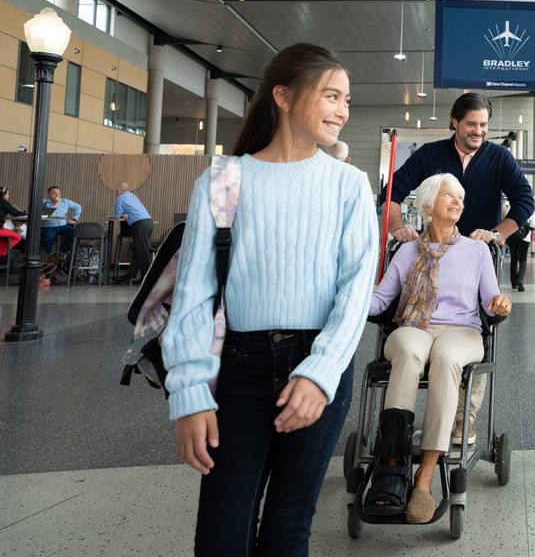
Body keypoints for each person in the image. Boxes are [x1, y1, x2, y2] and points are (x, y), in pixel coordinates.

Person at [161, 43, 378, 556]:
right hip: (239, 365)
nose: (343, 110)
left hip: (319, 363)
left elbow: (355, 292)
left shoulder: (349, 185)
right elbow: (193, 292)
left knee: (287, 526)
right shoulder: (223, 179)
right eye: (331, 95)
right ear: (282, 96)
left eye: (347, 99)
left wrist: (321, 373)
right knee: (220, 531)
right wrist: (189, 394)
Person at [379, 92, 534, 446]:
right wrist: (397, 228)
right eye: (471, 124)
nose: (478, 131)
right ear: (454, 122)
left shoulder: (499, 158)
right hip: (430, 254)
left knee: (480, 332)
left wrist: (495, 233)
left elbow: (524, 200)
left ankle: (466, 419)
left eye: (484, 125)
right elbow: (392, 192)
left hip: (475, 258)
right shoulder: (430, 155)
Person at [365, 173, 511, 523]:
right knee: (409, 350)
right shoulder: (406, 251)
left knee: (446, 359)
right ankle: (392, 464)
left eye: (460, 197)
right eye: (449, 195)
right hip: (414, 325)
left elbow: (490, 300)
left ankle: (424, 477)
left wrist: (499, 303)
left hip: (461, 330)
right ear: (428, 206)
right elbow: (381, 299)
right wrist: (349, 295)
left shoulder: (476, 251)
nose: (458, 202)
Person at [114, 183, 153, 284]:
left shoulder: (120, 198)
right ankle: (128, 276)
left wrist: (122, 215)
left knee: (142, 252)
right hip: (148, 223)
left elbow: (117, 215)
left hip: (139, 225)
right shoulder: (133, 196)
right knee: (137, 251)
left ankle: (147, 279)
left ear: (118, 191)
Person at [41, 186, 80, 259]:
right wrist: (56, 204)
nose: (57, 195)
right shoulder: (43, 202)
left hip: (62, 225)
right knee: (47, 238)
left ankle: (60, 252)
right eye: (54, 193)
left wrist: (74, 219)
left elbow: (78, 207)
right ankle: (49, 254)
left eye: (58, 193)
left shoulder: (65, 201)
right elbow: (46, 215)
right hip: (48, 227)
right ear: (48, 194)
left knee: (75, 233)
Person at [505, 214, 533, 293]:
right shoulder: (530, 210)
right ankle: (520, 279)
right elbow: (532, 224)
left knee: (513, 259)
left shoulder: (511, 210)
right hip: (524, 237)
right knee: (523, 259)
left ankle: (514, 283)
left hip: (512, 236)